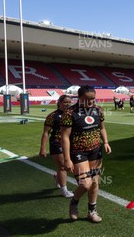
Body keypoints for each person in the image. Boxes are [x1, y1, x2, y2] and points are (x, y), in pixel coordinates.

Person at [61, 86, 112, 223]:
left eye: (93, 99)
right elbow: (65, 137)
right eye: (87, 99)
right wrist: (67, 159)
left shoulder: (98, 110)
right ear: (79, 98)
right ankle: (74, 201)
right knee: (85, 184)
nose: (91, 102)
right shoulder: (70, 113)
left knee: (95, 182)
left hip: (95, 151)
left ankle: (92, 211)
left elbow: (102, 128)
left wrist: (106, 142)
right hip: (78, 152)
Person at [39, 95, 74, 198]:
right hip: (57, 143)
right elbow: (46, 133)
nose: (68, 104)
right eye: (65, 102)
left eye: (69, 102)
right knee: (63, 167)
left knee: (68, 166)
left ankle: (58, 177)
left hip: (69, 144)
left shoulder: (72, 114)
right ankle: (64, 191)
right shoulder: (52, 116)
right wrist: (43, 148)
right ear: (59, 103)